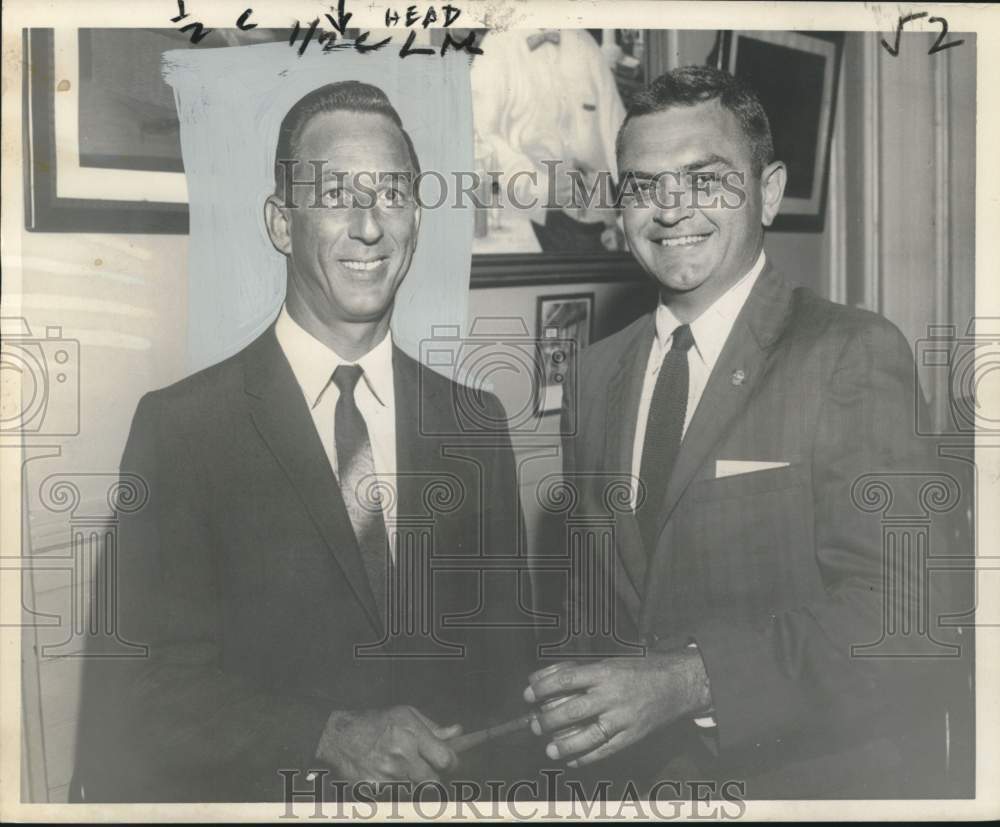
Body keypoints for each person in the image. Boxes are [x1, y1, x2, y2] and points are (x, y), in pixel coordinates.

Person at [73, 81, 537, 802]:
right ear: (281, 222)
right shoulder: (184, 429)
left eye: (390, 192)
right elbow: (136, 693)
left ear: (417, 216)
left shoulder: (474, 422)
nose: (368, 225)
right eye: (335, 195)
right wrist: (322, 732)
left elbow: (507, 676)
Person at [528, 66, 959, 798]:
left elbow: (909, 624)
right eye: (641, 185)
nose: (670, 210)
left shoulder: (849, 351)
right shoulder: (595, 376)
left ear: (767, 191)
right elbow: (594, 609)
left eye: (705, 180)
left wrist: (690, 680)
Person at [470, 28, 626, 254]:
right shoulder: (497, 46)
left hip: (594, 223)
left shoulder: (586, 44)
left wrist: (629, 217)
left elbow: (620, 134)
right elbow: (479, 133)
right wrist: (540, 187)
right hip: (525, 220)